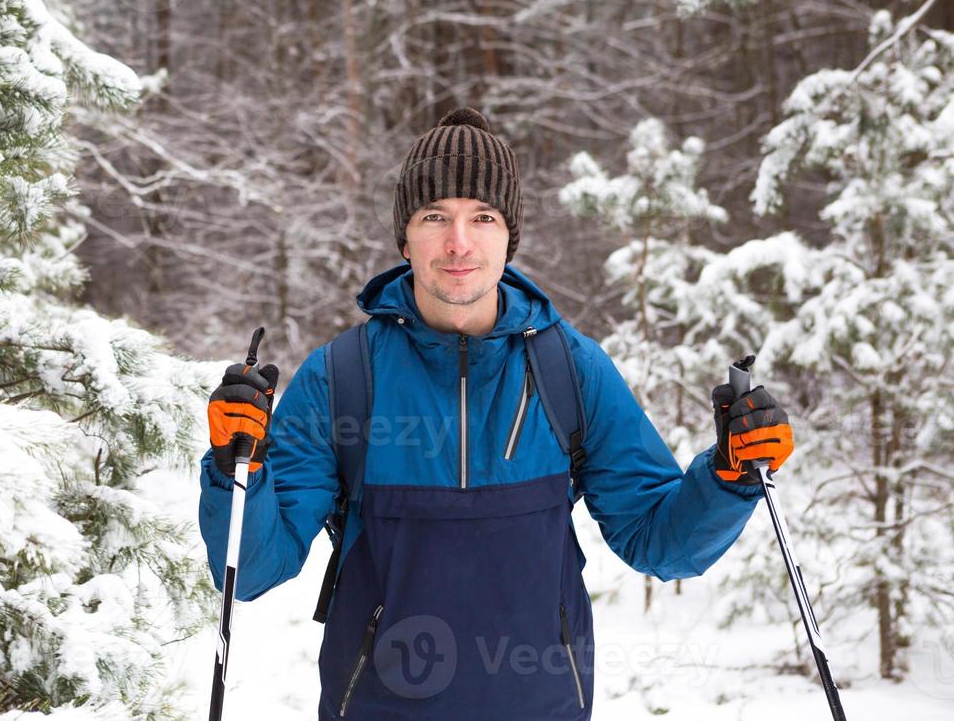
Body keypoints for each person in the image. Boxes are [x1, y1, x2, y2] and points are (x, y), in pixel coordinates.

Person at [198, 107, 795, 720]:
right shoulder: (342, 378)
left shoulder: (571, 369)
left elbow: (660, 543)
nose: (459, 242)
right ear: (405, 237)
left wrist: (730, 475)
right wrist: (238, 469)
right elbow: (253, 569)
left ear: (510, 235)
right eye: (436, 217)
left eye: (482, 217)